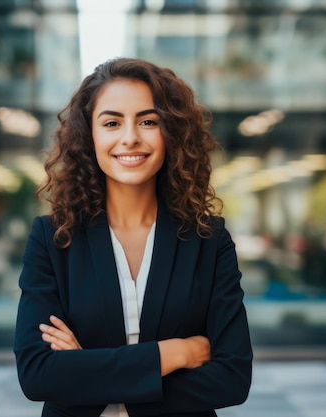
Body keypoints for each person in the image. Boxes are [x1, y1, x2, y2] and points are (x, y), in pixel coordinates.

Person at [14, 57, 252, 417]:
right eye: (112, 122)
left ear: (171, 132)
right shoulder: (52, 239)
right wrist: (175, 354)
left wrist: (86, 372)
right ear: (89, 134)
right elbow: (38, 375)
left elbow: (232, 377)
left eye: (148, 121)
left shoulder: (208, 240)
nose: (130, 137)